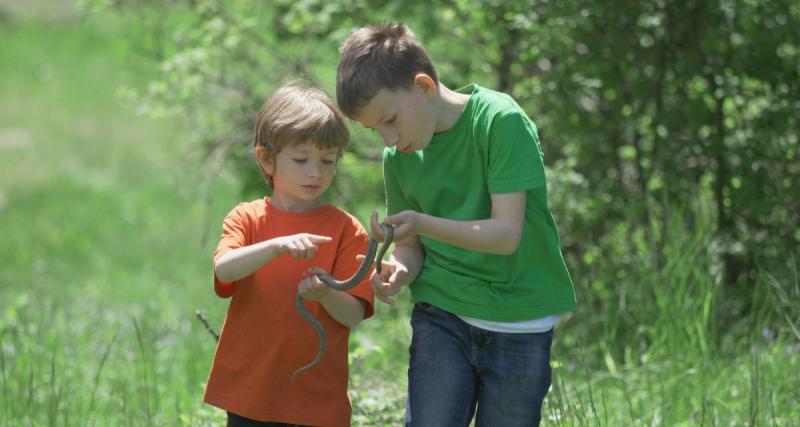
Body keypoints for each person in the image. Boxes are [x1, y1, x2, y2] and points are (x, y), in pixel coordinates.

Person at [336, 23, 577, 426]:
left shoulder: (500, 122)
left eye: (390, 120)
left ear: (424, 87)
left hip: (519, 322)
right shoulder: (399, 159)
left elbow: (505, 235)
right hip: (442, 313)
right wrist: (400, 270)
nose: (388, 139)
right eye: (375, 129)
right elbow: (411, 247)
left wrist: (423, 224)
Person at [203, 84, 375, 427]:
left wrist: (325, 293)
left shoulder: (347, 230)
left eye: (328, 161)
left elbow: (353, 314)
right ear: (267, 159)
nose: (315, 172)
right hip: (250, 394)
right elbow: (225, 270)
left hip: (317, 400)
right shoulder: (247, 218)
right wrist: (277, 245)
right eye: (301, 159)